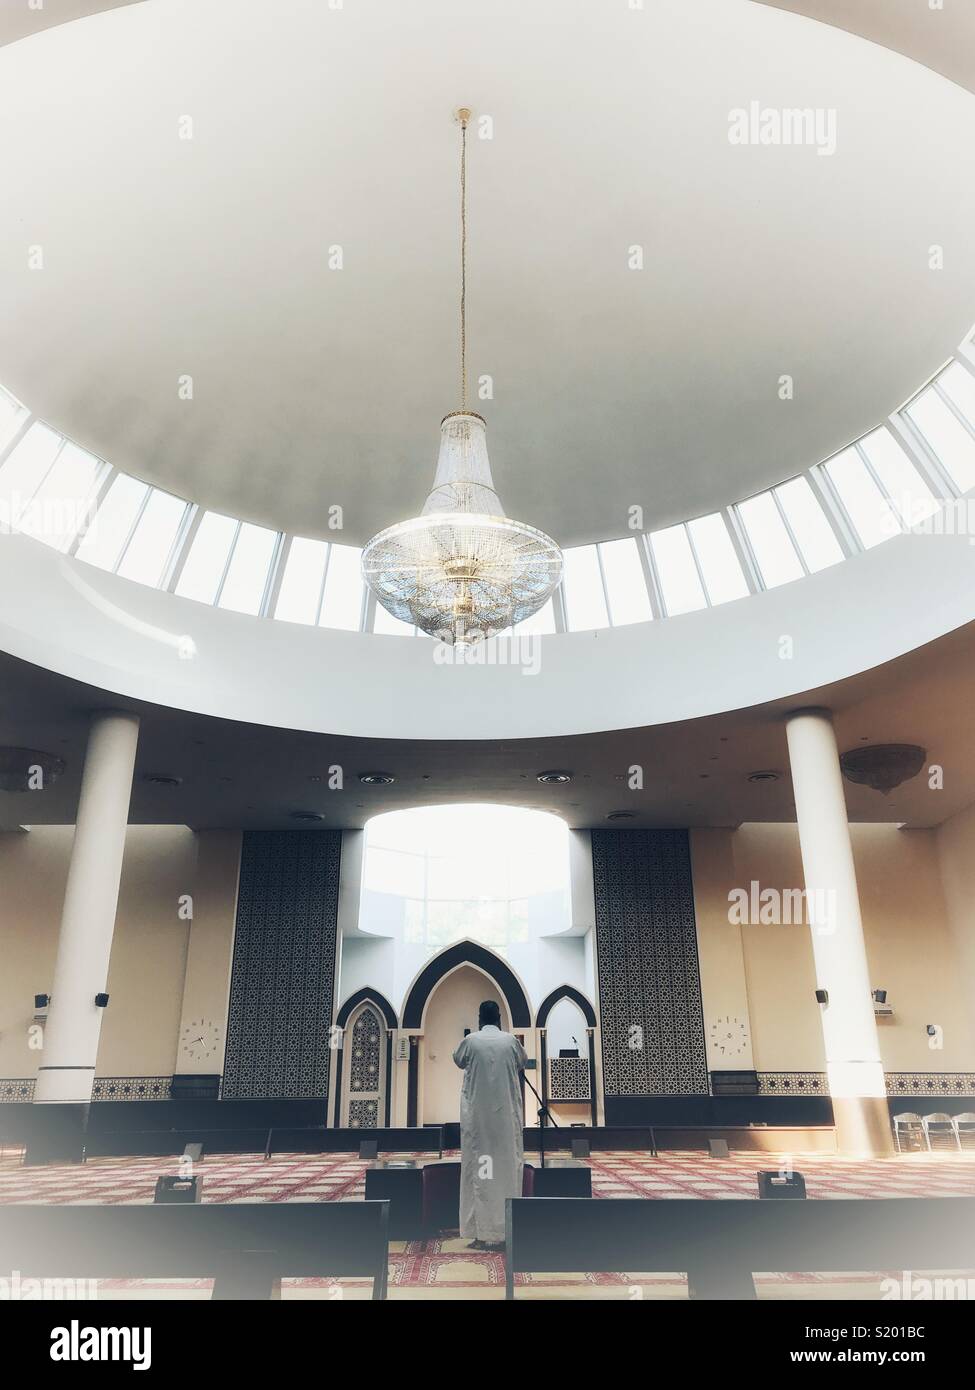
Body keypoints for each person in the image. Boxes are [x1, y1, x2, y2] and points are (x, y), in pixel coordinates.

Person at [452, 1000, 528, 1251]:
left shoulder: (471, 1041)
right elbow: (522, 1062)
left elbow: (458, 1059)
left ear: (479, 1019)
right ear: (499, 1018)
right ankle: (507, 1231)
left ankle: (481, 1234)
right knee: (505, 1173)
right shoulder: (511, 1042)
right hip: (505, 1124)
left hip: (479, 1125)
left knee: (482, 1173)